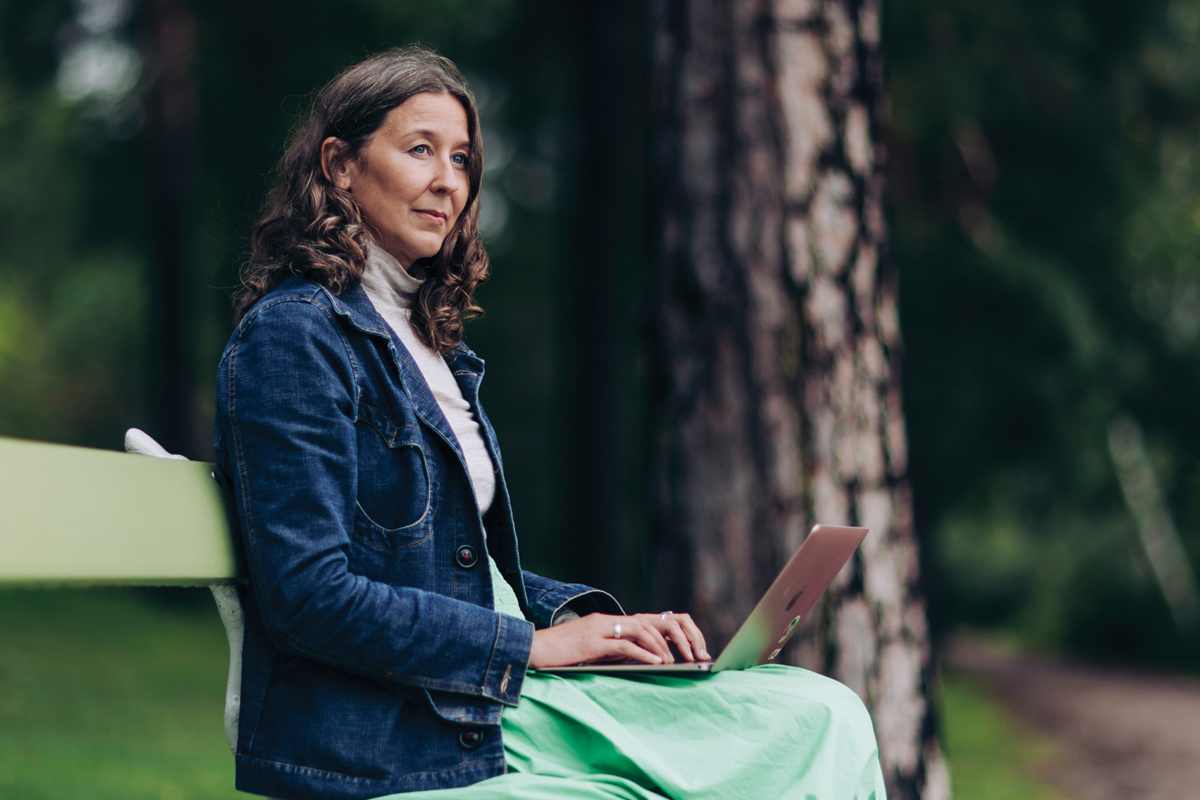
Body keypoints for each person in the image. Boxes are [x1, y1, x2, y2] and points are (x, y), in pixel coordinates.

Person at [214, 47, 886, 800]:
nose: (448, 180)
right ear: (339, 164)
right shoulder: (295, 338)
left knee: (825, 712)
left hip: (494, 692)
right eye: (419, 150)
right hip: (412, 726)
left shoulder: (434, 350)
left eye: (463, 159)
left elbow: (452, 569)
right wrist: (531, 646)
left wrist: (602, 628)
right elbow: (310, 596)